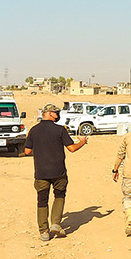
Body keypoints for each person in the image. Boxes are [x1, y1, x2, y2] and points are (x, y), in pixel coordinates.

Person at [24, 103, 87, 241]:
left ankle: (43, 231)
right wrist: (83, 141)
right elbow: (72, 148)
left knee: (42, 200)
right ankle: (55, 223)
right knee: (59, 196)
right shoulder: (60, 130)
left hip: (41, 173)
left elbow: (27, 151)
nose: (58, 115)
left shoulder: (34, 130)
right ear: (50, 113)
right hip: (59, 171)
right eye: (56, 113)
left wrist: (40, 148)